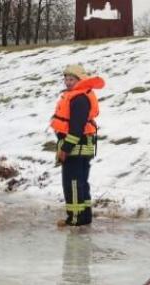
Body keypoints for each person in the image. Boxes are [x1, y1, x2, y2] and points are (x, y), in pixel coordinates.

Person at [50, 64, 104, 227]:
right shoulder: (77, 96)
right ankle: (85, 216)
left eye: (71, 79)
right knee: (81, 182)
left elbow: (76, 128)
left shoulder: (79, 99)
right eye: (66, 78)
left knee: (72, 184)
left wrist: (65, 149)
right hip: (79, 147)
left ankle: (74, 218)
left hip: (75, 148)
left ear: (80, 80)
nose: (67, 82)